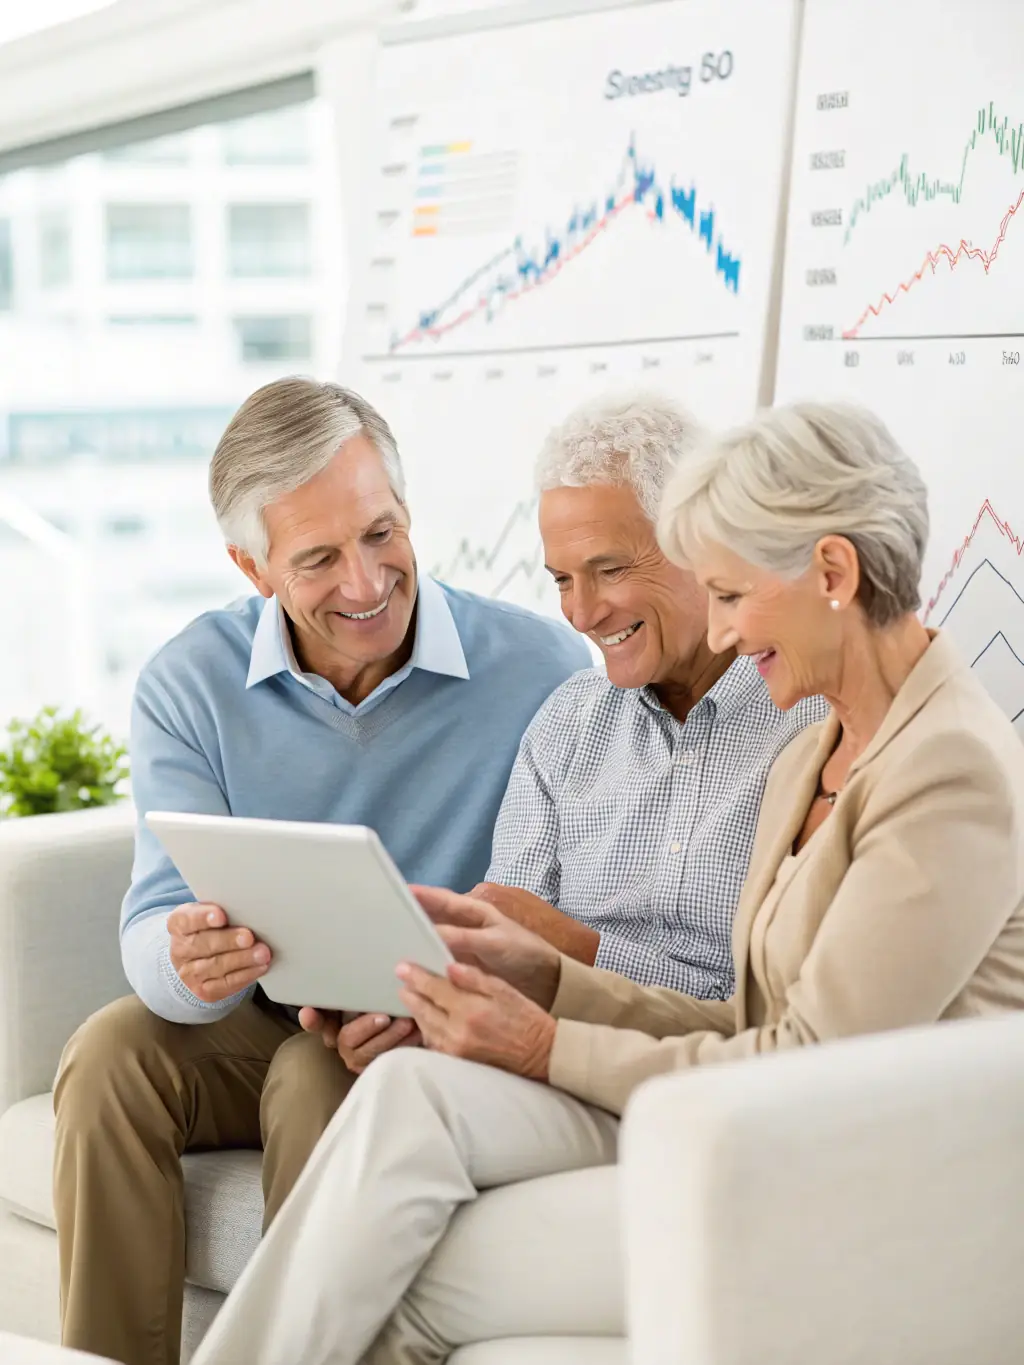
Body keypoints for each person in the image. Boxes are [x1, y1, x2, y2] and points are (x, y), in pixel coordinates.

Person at [190, 401, 1024, 1365]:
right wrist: (534, 973)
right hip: (743, 1122)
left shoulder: (948, 767)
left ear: (832, 574)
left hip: (859, 1182)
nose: (720, 630)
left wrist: (545, 1042)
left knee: (391, 1275)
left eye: (732, 593)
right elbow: (751, 1017)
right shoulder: (823, 750)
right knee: (412, 1096)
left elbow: (809, 1068)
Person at [52, 378, 591, 1365]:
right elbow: (154, 923)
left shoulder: (541, 669)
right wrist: (186, 963)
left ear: (406, 508)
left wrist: (445, 995)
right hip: (261, 1008)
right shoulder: (190, 682)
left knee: (316, 1078)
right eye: (318, 558)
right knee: (107, 1057)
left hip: (433, 1023)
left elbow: (575, 911)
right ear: (251, 569)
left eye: (380, 534)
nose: (364, 581)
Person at [478, 393, 826, 994]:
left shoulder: (815, 724)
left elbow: (781, 1007)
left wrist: (577, 949)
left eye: (610, 570)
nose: (582, 614)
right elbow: (505, 952)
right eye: (562, 580)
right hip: (541, 1048)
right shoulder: (566, 723)